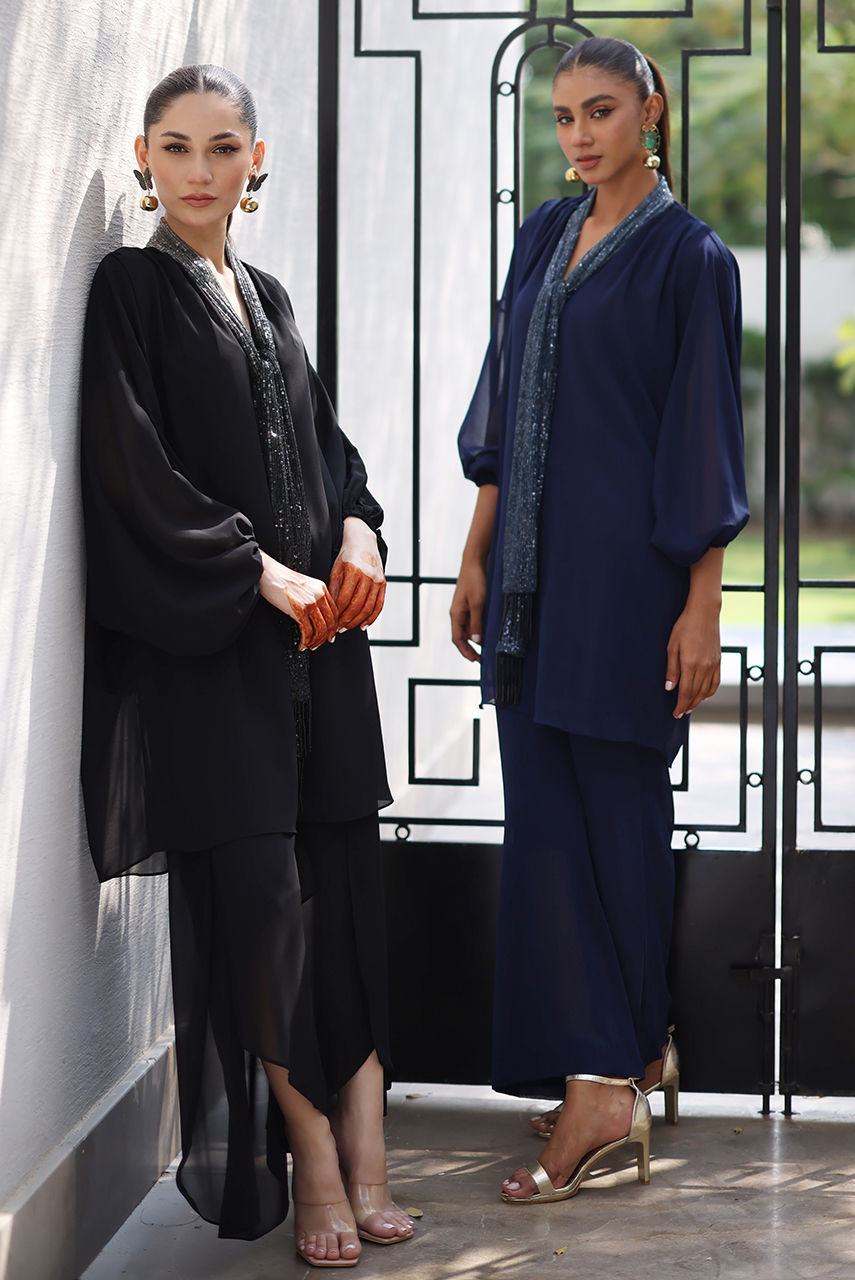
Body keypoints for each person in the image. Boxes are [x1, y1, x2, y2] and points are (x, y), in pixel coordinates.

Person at [80, 64, 414, 1267]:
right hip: (221, 656)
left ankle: (372, 1150)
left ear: (256, 160)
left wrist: (360, 534)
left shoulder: (265, 295)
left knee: (346, 895)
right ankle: (314, 1160)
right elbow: (133, 466)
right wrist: (260, 573)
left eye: (223, 147)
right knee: (263, 910)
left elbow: (331, 455)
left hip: (322, 652)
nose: (200, 171)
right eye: (176, 147)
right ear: (143, 156)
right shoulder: (132, 291)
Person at [451, 36, 749, 1203]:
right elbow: (502, 400)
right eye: (564, 116)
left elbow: (702, 436)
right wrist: (475, 554)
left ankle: (602, 1088)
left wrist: (701, 604)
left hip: (626, 590)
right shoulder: (544, 234)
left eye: (602, 111)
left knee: (618, 823)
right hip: (529, 585)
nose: (579, 135)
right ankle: (620, 1055)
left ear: (651, 111)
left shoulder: (690, 258)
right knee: (546, 827)